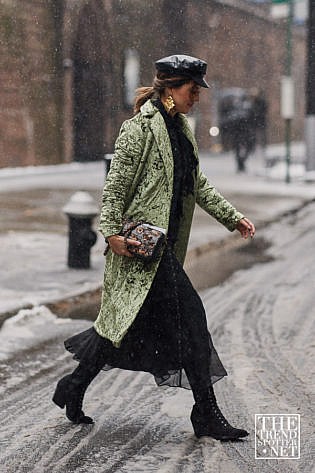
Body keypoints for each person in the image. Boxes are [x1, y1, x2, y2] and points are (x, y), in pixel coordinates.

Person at [53, 54, 255, 441]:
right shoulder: (139, 129)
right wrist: (111, 234)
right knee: (192, 320)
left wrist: (232, 217)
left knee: (122, 329)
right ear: (171, 87)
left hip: (163, 249)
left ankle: (73, 385)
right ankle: (207, 414)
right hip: (141, 250)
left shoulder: (182, 129)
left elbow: (198, 185)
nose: (196, 97)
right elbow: (115, 186)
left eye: (197, 91)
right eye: (192, 90)